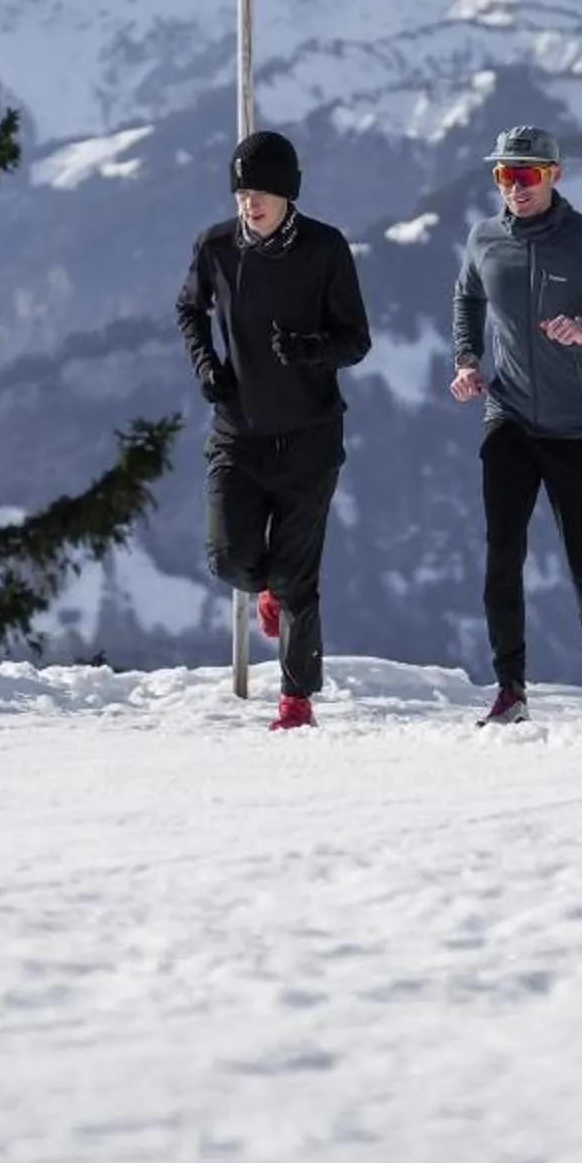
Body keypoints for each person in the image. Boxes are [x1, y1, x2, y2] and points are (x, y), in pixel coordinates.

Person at [450, 123, 582, 727]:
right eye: (503, 176)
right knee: (501, 558)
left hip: (576, 428)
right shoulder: (484, 237)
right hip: (507, 417)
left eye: (526, 176)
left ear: (553, 176)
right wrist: (467, 360)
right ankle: (510, 688)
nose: (513, 187)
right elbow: (465, 299)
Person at [176, 129, 373, 731]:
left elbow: (356, 341)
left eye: (261, 191)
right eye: (241, 191)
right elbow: (188, 309)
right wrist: (206, 364)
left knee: (298, 577)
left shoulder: (325, 248)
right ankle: (264, 589)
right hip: (238, 432)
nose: (249, 202)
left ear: (288, 194)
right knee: (229, 559)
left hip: (311, 438)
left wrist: (310, 348)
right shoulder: (216, 247)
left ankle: (296, 700)